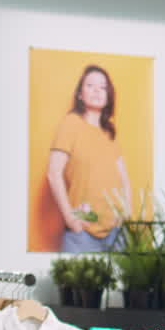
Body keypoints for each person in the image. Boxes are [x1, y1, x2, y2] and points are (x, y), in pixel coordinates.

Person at [47, 64, 131, 253]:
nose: (96, 91)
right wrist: (70, 219)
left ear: (109, 95)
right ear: (80, 94)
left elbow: (124, 179)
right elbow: (53, 173)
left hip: (116, 233)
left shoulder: (109, 132)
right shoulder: (71, 123)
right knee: (77, 283)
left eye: (102, 87)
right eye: (90, 85)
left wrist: (126, 215)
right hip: (83, 234)